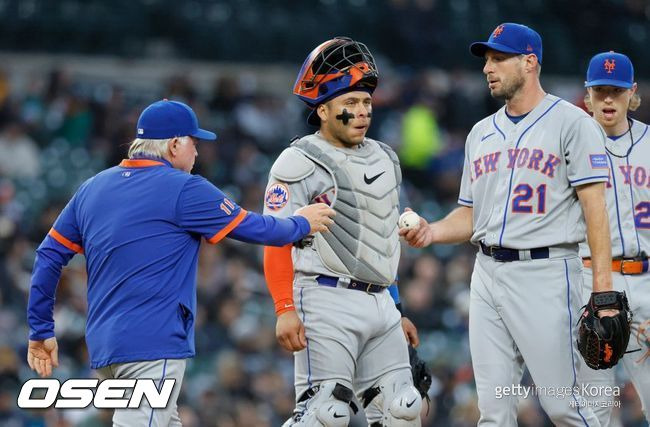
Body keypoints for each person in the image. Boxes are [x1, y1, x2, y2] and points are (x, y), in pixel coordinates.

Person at [26, 99, 335, 426]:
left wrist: (41, 328)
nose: (197, 153)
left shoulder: (92, 189)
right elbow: (256, 228)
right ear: (174, 144)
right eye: (194, 143)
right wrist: (301, 222)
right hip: (151, 343)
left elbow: (48, 255)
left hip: (105, 348)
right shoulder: (183, 188)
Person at [401, 23, 617, 426]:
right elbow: (469, 214)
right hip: (486, 274)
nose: (488, 68)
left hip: (546, 273)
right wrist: (432, 231)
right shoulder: (480, 133)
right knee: (493, 412)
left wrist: (603, 292)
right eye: (487, 59)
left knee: (563, 406)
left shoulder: (572, 123)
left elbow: (596, 211)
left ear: (530, 62)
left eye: (499, 58)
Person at [262, 37, 422, 426]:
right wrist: (284, 308)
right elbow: (274, 238)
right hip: (323, 297)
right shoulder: (298, 160)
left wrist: (396, 307)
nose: (363, 111)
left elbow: (380, 241)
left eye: (366, 102)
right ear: (322, 109)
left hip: (380, 302)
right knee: (325, 415)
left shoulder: (385, 156)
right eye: (350, 103)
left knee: (404, 409)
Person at [577, 51, 650, 425]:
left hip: (646, 279)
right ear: (587, 93)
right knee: (594, 411)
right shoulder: (569, 148)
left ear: (632, 92)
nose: (608, 99)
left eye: (617, 91)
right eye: (600, 90)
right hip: (590, 282)